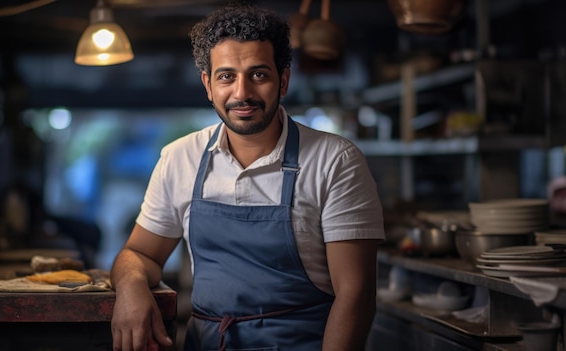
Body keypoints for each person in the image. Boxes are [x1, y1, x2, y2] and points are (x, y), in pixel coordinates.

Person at [110, 4, 385, 351]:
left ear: (283, 80)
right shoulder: (179, 158)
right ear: (208, 84)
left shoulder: (335, 161)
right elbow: (139, 254)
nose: (242, 93)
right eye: (226, 76)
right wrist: (131, 287)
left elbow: (356, 295)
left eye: (258, 74)